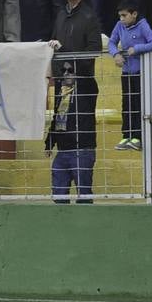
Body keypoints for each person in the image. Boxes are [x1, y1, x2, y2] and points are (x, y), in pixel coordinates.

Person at [108, 0, 152, 151]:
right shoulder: (119, 26)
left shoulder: (143, 25)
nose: (122, 19)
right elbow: (111, 42)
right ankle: (127, 135)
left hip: (141, 72)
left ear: (134, 14)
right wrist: (115, 54)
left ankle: (138, 137)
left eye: (124, 15)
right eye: (120, 16)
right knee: (127, 104)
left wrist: (137, 48)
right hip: (126, 71)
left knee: (139, 103)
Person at [46, 58, 97, 204]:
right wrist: (49, 142)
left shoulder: (87, 90)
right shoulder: (61, 93)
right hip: (62, 151)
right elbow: (57, 117)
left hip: (82, 150)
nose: (67, 74)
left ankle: (86, 223)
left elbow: (86, 71)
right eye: (64, 71)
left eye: (71, 71)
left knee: (84, 194)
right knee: (58, 193)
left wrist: (65, 51)